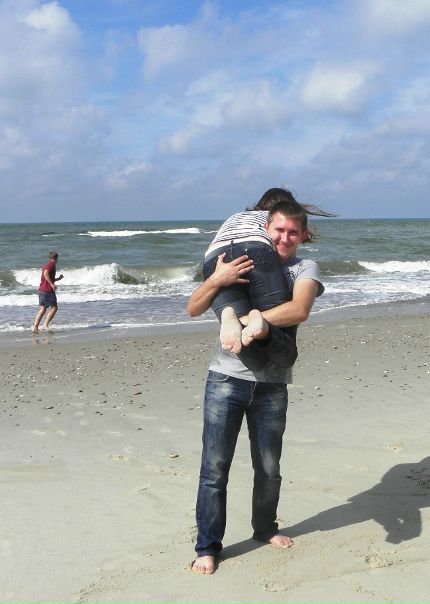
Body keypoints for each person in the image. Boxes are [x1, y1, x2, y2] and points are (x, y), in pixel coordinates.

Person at [188, 196, 327, 575]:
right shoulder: (238, 262)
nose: (285, 238)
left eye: (293, 233)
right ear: (265, 228)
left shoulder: (304, 268)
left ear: (303, 235)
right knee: (214, 469)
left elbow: (299, 309)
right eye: (279, 230)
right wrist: (217, 279)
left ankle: (265, 528)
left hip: (272, 384)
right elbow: (193, 308)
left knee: (268, 467)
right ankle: (207, 547)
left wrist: (251, 319)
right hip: (225, 378)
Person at [32, 251, 63, 333]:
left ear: (49, 257)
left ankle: (35, 327)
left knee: (42, 308)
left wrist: (58, 279)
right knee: (54, 308)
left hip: (41, 290)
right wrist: (52, 285)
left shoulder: (46, 264)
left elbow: (47, 277)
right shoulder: (52, 264)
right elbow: (46, 274)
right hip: (47, 290)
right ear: (56, 258)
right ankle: (45, 325)